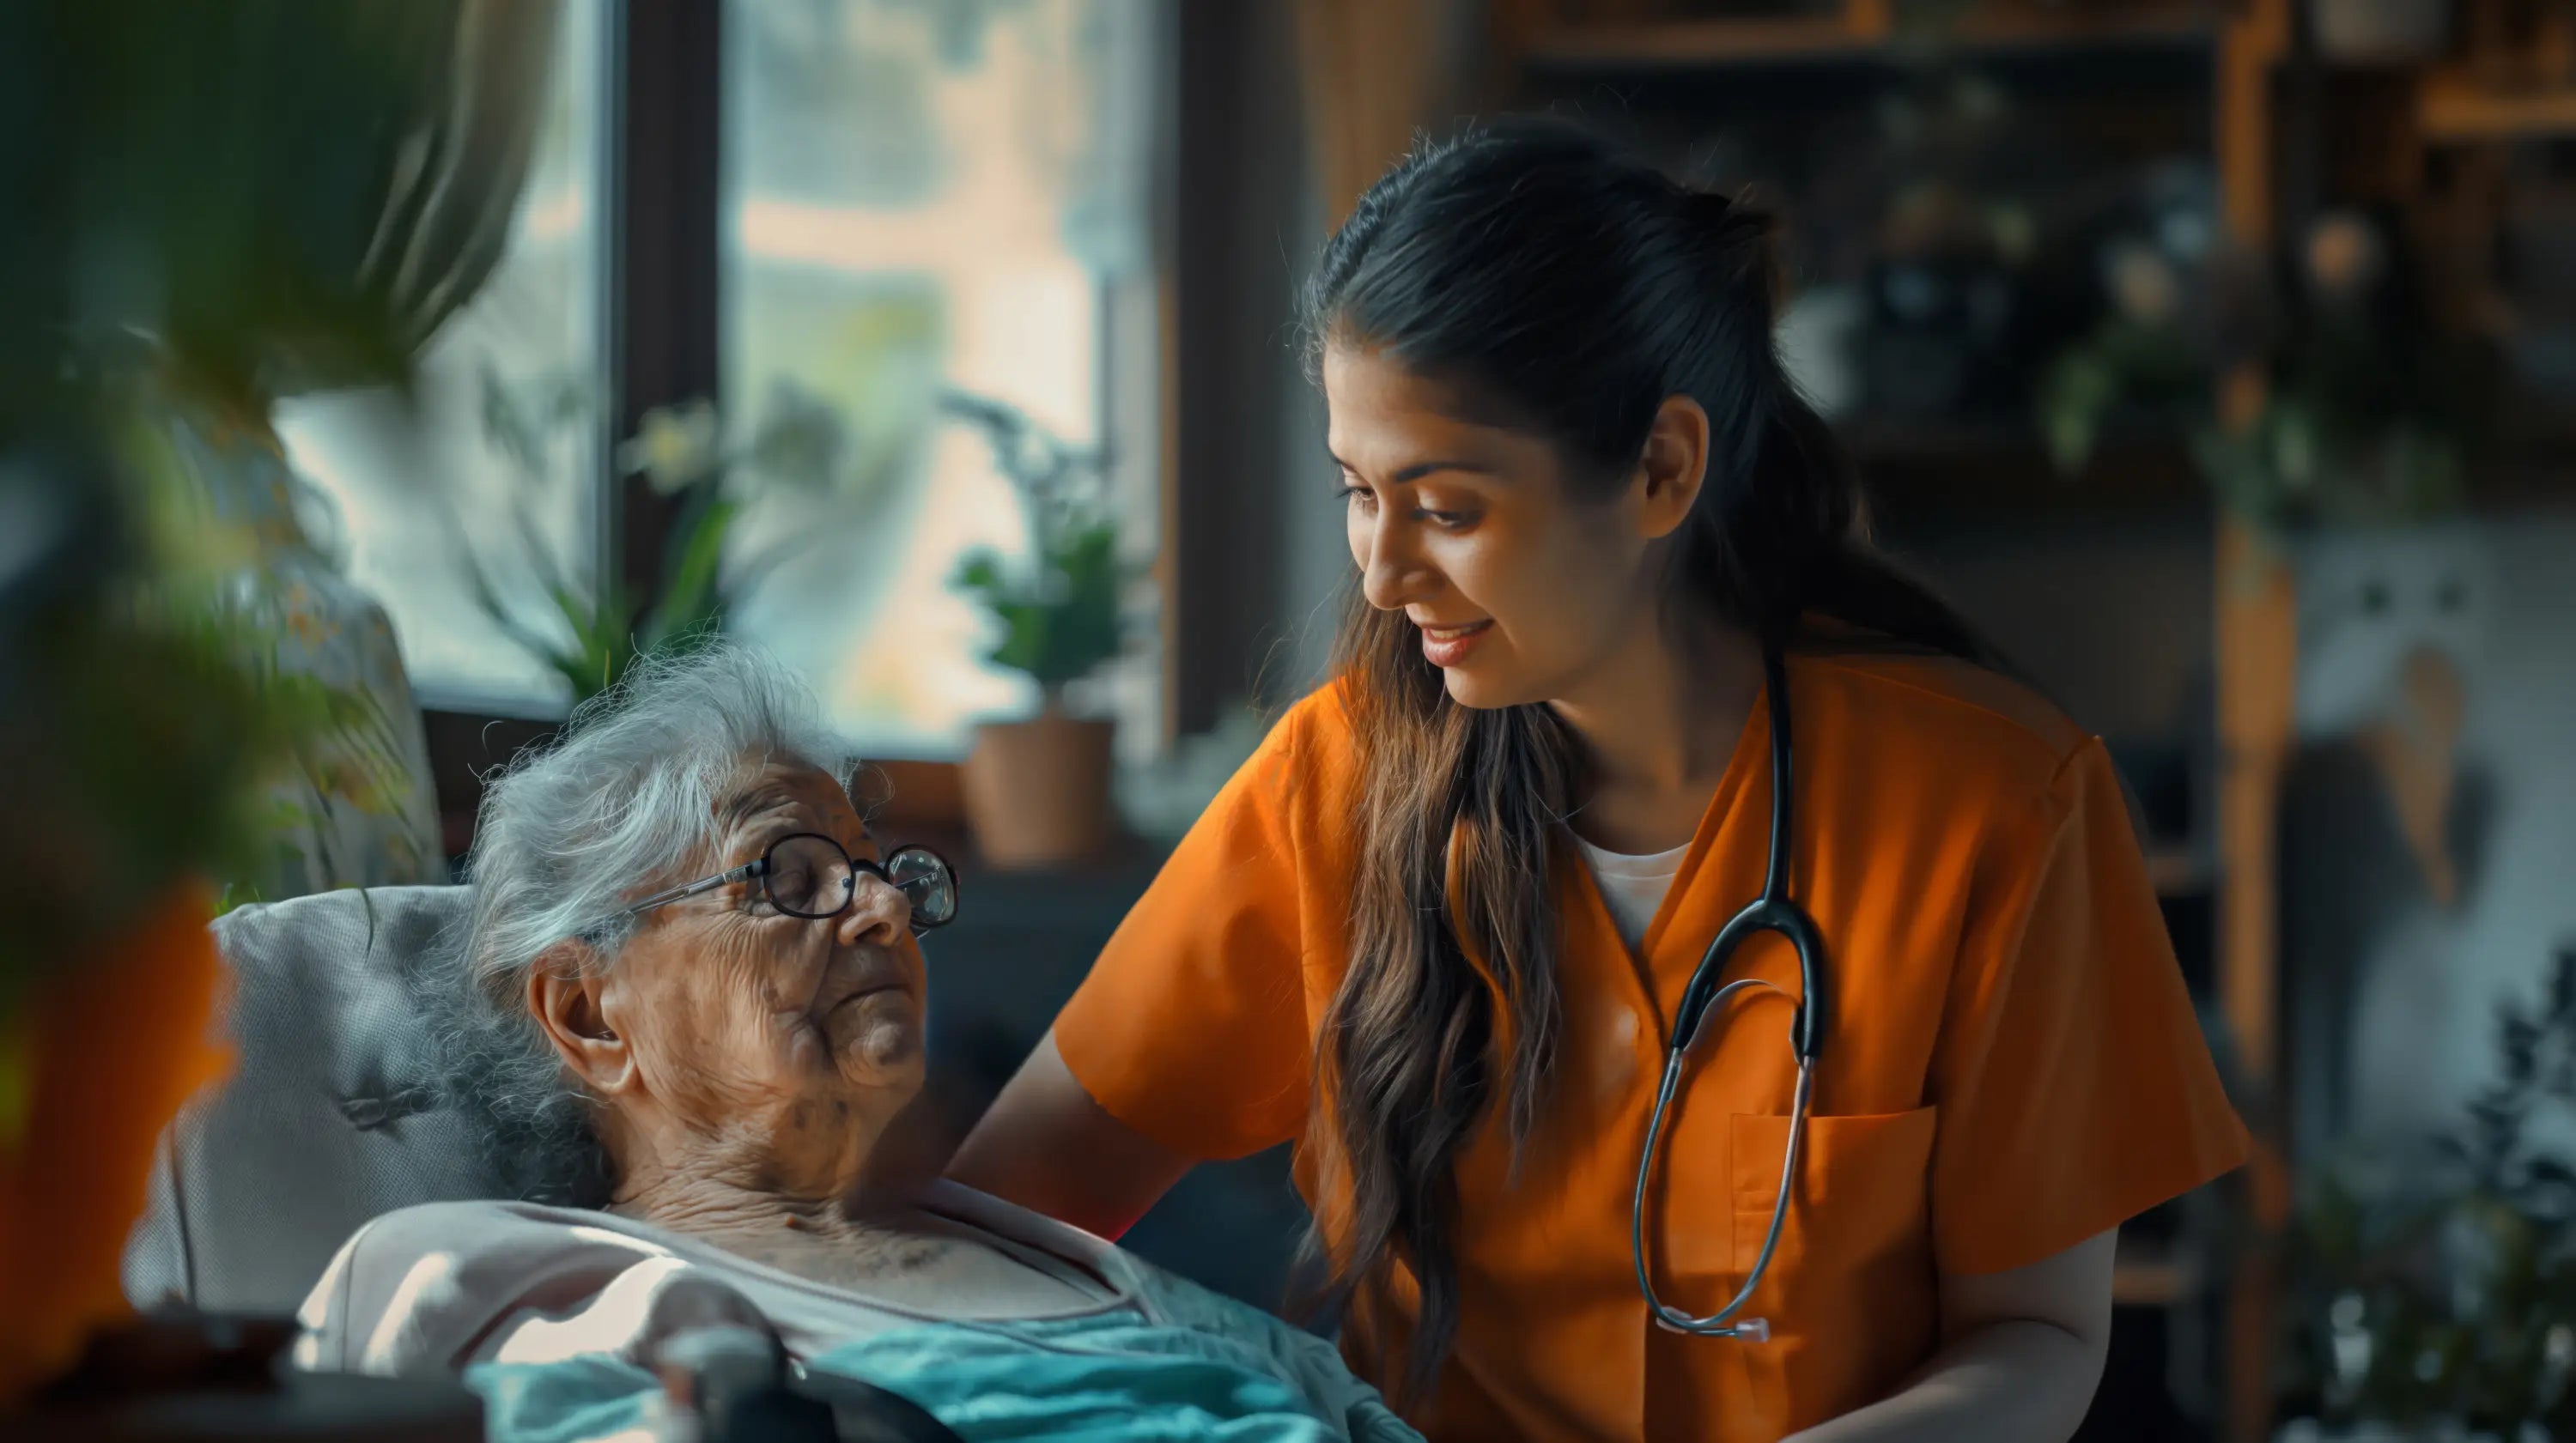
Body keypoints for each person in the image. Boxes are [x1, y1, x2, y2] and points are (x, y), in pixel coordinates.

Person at [950, 121, 2250, 1443]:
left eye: (1447, 507)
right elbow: (1004, 1207)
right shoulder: (1331, 785)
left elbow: (2035, 1338)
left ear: (1660, 468)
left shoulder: (1996, 808)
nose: (1383, 574)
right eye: (1358, 491)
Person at [293, 644, 1416, 1443]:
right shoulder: (499, 1281)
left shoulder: (1121, 1286)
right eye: (785, 875)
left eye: (885, 873)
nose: (882, 910)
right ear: (589, 1013)